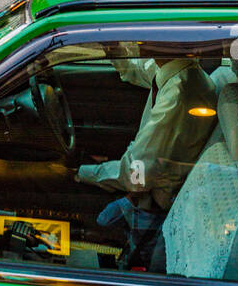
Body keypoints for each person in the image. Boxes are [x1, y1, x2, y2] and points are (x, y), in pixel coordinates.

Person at [77, 51, 217, 253]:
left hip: (150, 205)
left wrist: (81, 172)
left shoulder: (178, 95)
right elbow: (136, 70)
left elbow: (137, 174)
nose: (136, 40)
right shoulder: (179, 72)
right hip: (146, 190)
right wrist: (113, 48)